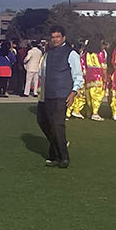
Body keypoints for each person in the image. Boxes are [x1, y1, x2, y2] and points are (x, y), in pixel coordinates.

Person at [38, 26, 82, 168]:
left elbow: (78, 75)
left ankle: (63, 157)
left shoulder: (71, 53)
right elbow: (42, 73)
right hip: (47, 93)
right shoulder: (48, 54)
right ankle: (56, 150)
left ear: (63, 38)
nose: (55, 39)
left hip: (61, 94)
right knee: (43, 122)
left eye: (57, 37)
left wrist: (73, 92)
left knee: (57, 125)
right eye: (53, 37)